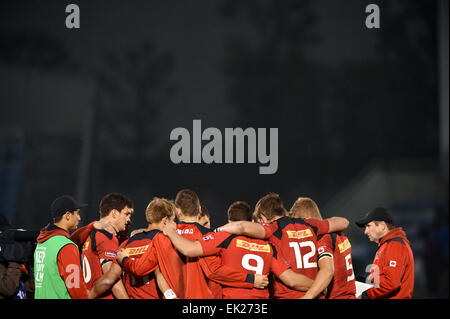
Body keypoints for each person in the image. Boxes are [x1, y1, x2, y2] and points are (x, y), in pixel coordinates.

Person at [162, 200, 315, 299]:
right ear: (254, 221)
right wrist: (319, 285)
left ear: (229, 222)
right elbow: (292, 280)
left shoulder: (224, 238)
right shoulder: (268, 246)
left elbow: (189, 250)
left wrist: (170, 231)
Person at [216, 193, 349, 298]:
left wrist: (217, 231)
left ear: (262, 218)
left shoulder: (273, 229)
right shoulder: (310, 225)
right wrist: (319, 287)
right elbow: (343, 222)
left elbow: (241, 226)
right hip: (316, 295)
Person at [173, 189, 268, 298]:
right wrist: (250, 279)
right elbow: (214, 271)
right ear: (199, 210)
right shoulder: (209, 237)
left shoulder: (164, 237)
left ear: (177, 211)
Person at [290, 197, 356, 299]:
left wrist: (307, 297)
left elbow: (327, 271)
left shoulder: (323, 238)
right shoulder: (341, 236)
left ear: (304, 220)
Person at [33, 195, 89, 299]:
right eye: (77, 213)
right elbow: (75, 286)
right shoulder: (67, 246)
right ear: (68, 215)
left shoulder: (42, 242)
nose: (79, 218)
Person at [80, 192, 133, 299]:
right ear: (114, 213)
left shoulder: (89, 234)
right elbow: (111, 279)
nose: (129, 219)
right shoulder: (106, 236)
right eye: (126, 214)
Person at [356, 207, 414, 299]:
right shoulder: (386, 245)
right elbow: (381, 280)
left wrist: (364, 295)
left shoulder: (395, 245)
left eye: (368, 226)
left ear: (382, 226)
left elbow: (391, 283)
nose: (365, 231)